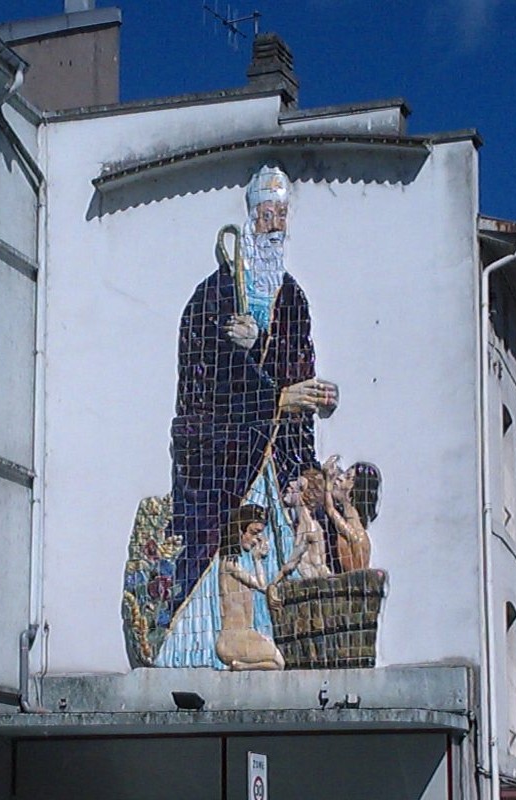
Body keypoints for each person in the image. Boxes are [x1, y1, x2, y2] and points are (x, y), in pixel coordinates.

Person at [169, 164, 339, 611]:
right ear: (251, 219)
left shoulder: (293, 298)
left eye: (282, 216)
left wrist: (316, 400)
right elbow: (206, 381)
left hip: (276, 455)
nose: (275, 226)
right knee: (222, 567)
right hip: (222, 459)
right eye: (267, 215)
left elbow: (297, 371)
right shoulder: (214, 296)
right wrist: (276, 397)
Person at [215, 505, 285, 671]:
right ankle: (240, 666)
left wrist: (257, 559)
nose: (256, 540)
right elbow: (261, 585)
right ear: (240, 531)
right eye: (254, 533)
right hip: (233, 641)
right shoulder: (229, 564)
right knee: (278, 662)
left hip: (244, 636)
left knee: (278, 662)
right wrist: (257, 560)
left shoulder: (234, 564)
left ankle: (241, 666)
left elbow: (262, 586)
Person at [322, 456, 382, 572]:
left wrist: (328, 482)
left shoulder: (353, 532)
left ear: (356, 490)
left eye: (347, 477)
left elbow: (330, 509)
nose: (339, 479)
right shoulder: (350, 524)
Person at [272, 469, 331, 583]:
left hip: (311, 583)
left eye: (298, 485)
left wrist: (272, 584)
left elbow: (290, 564)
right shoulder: (300, 522)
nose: (291, 485)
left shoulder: (309, 527)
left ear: (306, 495)